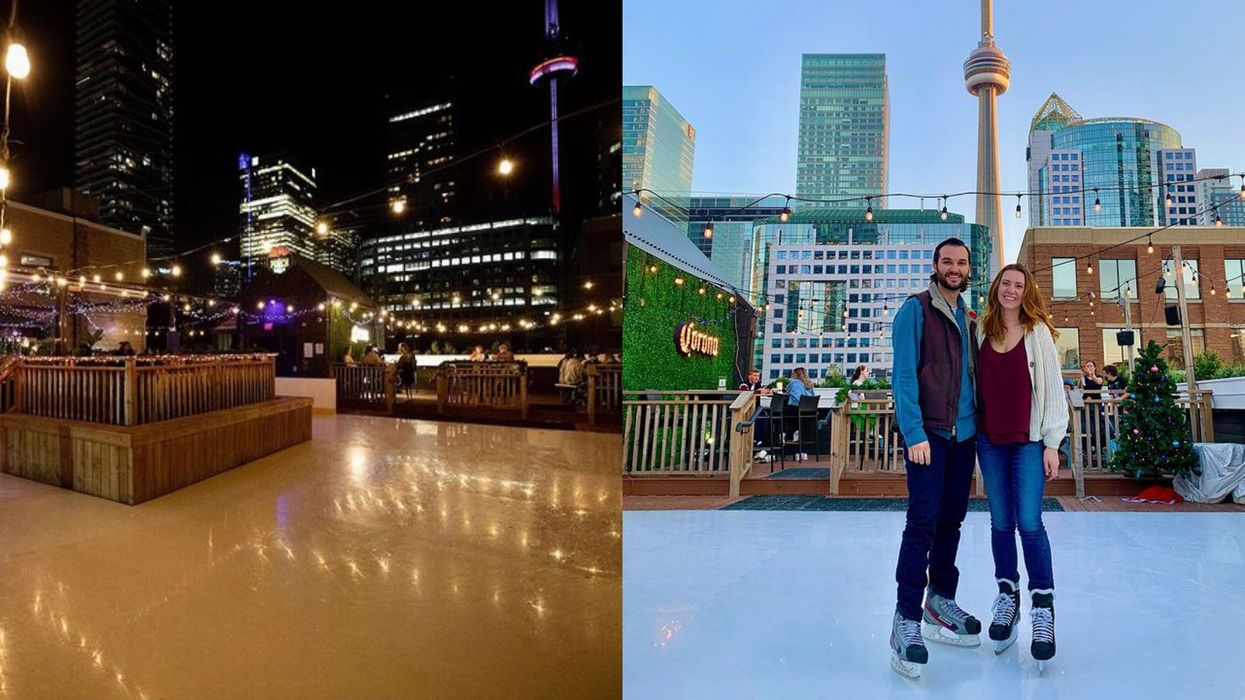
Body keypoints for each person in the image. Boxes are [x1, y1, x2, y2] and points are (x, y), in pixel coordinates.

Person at [888, 237, 982, 679]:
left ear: (968, 269)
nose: (954, 268)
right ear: (935, 265)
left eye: (961, 262)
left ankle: (940, 598)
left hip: (964, 436)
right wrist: (913, 431)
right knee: (922, 521)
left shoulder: (968, 317)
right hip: (929, 434)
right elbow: (904, 374)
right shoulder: (916, 309)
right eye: (947, 261)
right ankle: (905, 617)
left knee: (952, 520)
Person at [973, 263, 1066, 670]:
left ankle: (1042, 605)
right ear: (996, 289)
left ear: (1026, 292)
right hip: (989, 441)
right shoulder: (982, 331)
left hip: (1028, 442)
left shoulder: (1037, 332)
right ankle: (1007, 596)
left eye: (1018, 286)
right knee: (999, 522)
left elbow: (1052, 388)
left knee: (1029, 522)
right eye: (1005, 284)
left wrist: (1052, 443)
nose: (1011, 291)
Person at [782, 367, 812, 462]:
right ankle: (802, 451)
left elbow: (788, 393)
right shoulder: (809, 384)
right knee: (797, 419)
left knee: (778, 413)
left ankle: (783, 434)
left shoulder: (793, 382)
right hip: (809, 411)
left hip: (796, 409)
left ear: (795, 374)